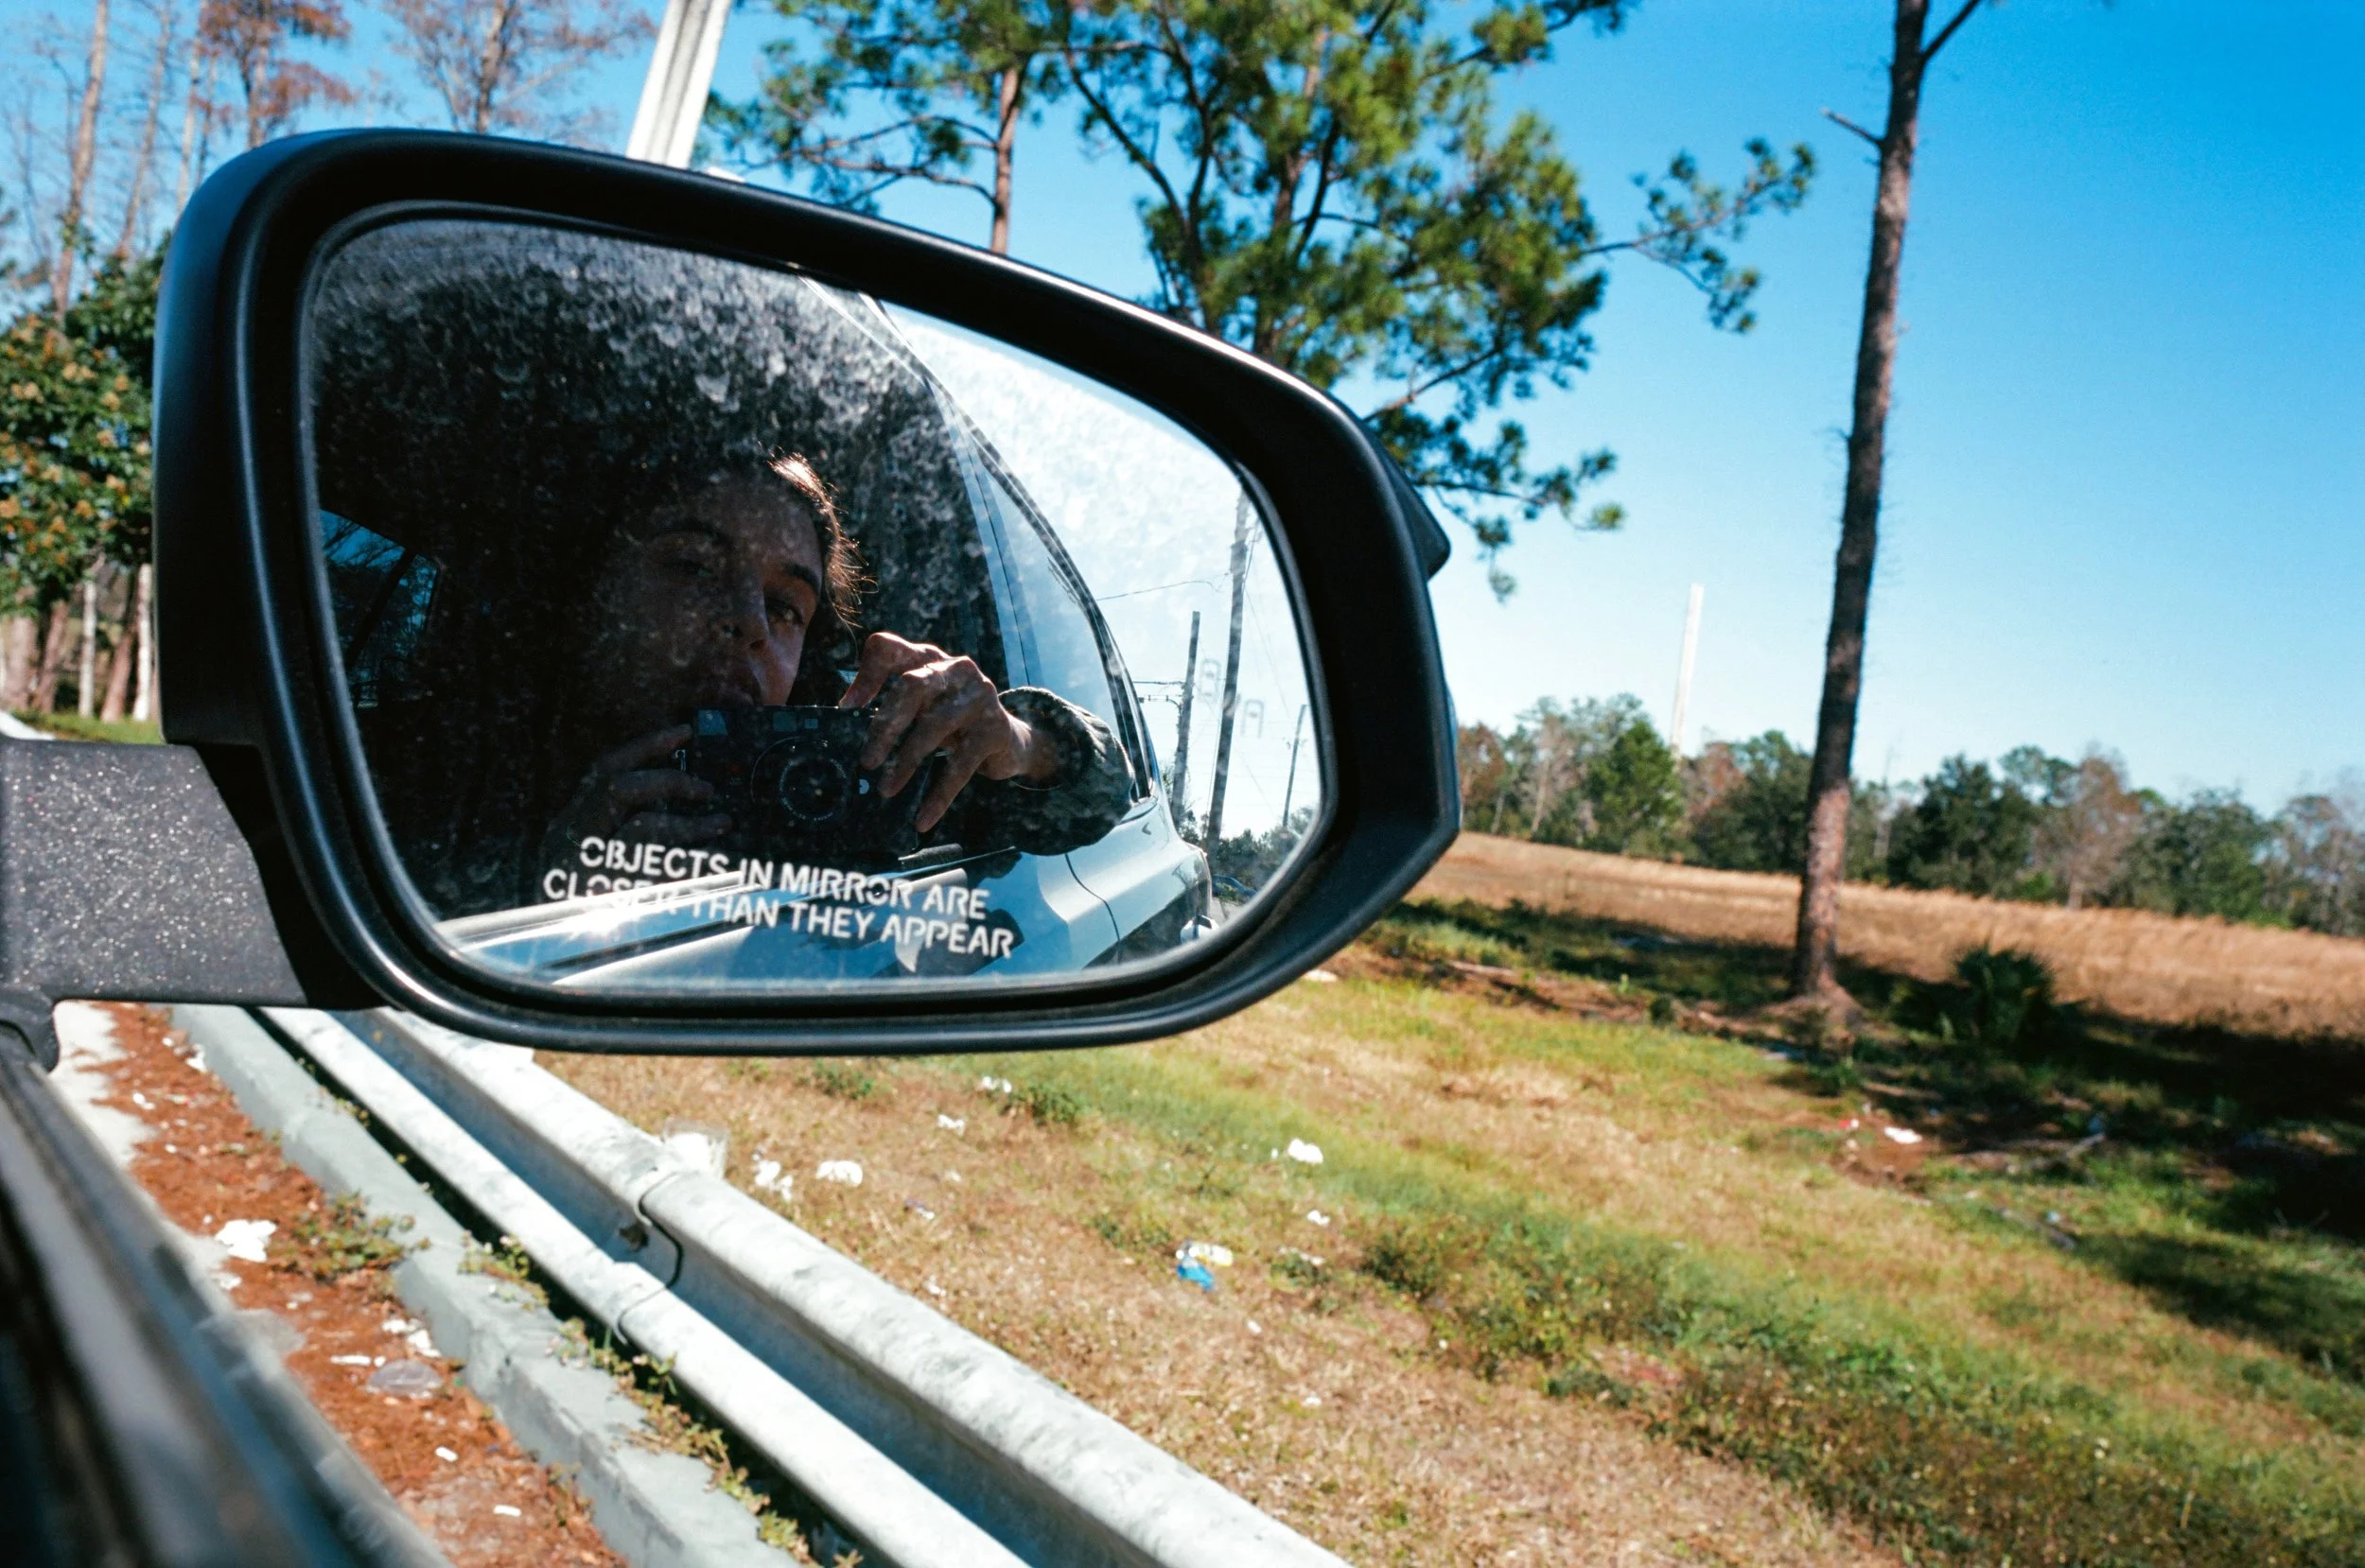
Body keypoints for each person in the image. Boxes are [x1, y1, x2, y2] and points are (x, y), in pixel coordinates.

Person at [531, 451, 1132, 895]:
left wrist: (1015, 742)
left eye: (786, 607)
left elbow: (1102, 797)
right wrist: (552, 889)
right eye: (694, 568)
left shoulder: (848, 776)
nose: (750, 625)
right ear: (594, 593)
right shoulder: (474, 777)